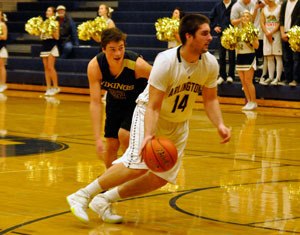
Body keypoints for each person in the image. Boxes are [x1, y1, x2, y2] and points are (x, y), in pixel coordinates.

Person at [67, 14, 231, 224]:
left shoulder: (210, 64)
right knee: (136, 163)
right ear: (189, 36)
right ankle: (81, 195)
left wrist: (219, 124)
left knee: (161, 177)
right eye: (204, 33)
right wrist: (149, 135)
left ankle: (104, 199)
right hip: (149, 114)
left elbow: (210, 100)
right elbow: (152, 106)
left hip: (179, 122)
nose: (210, 37)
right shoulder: (166, 61)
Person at [87, 28, 152, 168]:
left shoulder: (137, 64)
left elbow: (159, 80)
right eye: (112, 49)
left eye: (120, 48)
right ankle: (109, 182)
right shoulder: (95, 66)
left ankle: (133, 172)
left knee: (124, 135)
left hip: (137, 102)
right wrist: (97, 138)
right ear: (103, 49)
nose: (117, 53)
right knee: (110, 143)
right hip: (115, 101)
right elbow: (95, 103)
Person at [236, 10, 259, 110]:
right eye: (243, 16)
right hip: (240, 57)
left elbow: (257, 46)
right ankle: (249, 101)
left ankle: (254, 102)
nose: (245, 18)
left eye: (247, 16)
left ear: (250, 19)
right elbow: (236, 47)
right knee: (243, 82)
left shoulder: (252, 30)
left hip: (249, 56)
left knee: (248, 81)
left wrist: (250, 40)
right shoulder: (237, 31)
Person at [209, 0, 236, 84]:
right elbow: (211, 17)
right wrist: (215, 26)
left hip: (232, 34)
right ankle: (222, 76)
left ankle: (231, 75)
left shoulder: (235, 4)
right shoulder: (218, 5)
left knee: (232, 56)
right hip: (222, 34)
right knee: (222, 56)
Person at [259, 0, 283, 85]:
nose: (265, 1)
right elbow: (262, 22)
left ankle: (278, 78)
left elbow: (280, 22)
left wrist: (271, 32)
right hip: (267, 35)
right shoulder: (264, 9)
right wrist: (266, 33)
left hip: (276, 35)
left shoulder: (279, 8)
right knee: (269, 56)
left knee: (277, 56)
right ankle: (271, 77)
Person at [40, 7, 60, 96]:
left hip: (52, 46)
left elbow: (57, 37)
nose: (47, 12)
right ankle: (48, 88)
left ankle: (56, 87)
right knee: (46, 68)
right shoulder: (43, 23)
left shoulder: (55, 23)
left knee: (51, 67)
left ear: (53, 13)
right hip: (44, 46)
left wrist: (50, 30)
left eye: (49, 11)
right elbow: (41, 36)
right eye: (47, 10)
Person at [279, 0, 300, 86]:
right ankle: (288, 78)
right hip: (284, 33)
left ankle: (296, 79)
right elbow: (281, 19)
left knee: (296, 58)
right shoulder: (284, 3)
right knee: (286, 58)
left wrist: (291, 34)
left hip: (296, 34)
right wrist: (282, 33)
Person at [0, 10, 8, 93]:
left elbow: (5, 37)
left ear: (1, 16)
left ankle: (3, 84)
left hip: (1, 47)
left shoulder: (3, 25)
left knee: (1, 66)